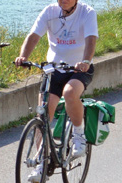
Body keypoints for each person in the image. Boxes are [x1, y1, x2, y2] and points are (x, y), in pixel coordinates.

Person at [15, 0, 99, 163]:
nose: (64, 0)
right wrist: (23, 56)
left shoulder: (87, 13)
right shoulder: (50, 12)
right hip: (54, 70)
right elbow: (33, 36)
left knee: (69, 92)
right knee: (43, 114)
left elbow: (91, 40)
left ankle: (79, 133)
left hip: (79, 69)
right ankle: (41, 160)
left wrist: (86, 61)